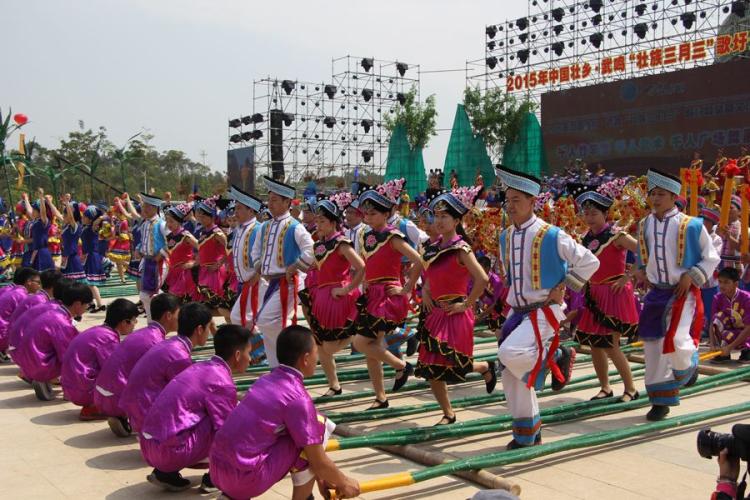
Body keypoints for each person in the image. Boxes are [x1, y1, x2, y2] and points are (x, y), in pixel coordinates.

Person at [495, 165, 600, 449]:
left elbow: (590, 261)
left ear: (532, 201)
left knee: (510, 353)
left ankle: (558, 357)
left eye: (517, 200)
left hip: (545, 311)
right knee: (511, 374)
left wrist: (567, 284)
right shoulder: (505, 237)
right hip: (518, 313)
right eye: (508, 200)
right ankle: (527, 433)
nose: (511, 205)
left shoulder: (552, 234)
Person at [209, 325, 360, 500]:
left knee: (304, 430)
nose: (317, 357)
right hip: (243, 480)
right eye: (315, 352)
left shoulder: (265, 380)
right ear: (305, 358)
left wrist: (322, 477)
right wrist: (344, 482)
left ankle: (231, 496)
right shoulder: (297, 398)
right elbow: (318, 460)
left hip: (217, 470)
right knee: (318, 425)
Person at [634, 169, 720, 421]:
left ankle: (688, 366)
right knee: (653, 346)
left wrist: (691, 274)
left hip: (682, 293)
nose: (656, 199)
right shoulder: (645, 223)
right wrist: (640, 270)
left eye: (661, 194)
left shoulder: (691, 224)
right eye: (652, 194)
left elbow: (711, 257)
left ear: (674, 196)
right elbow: (642, 254)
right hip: (655, 293)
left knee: (679, 342)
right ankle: (660, 401)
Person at [417, 188, 497, 425]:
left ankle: (483, 367)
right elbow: (429, 273)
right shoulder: (432, 248)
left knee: (453, 364)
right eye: (437, 216)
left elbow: (482, 279)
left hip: (456, 312)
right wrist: (426, 290)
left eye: (444, 217)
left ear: (457, 220)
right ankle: (448, 413)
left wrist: (466, 304)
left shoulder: (462, 249)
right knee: (431, 366)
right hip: (435, 312)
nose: (439, 221)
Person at [139, 324, 250, 493]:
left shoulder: (200, 367)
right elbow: (226, 431)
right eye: (248, 353)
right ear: (237, 355)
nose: (250, 359)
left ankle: (165, 473)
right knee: (234, 423)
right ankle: (214, 479)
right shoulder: (221, 381)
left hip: (148, 445)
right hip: (168, 451)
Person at [351, 180, 423, 409]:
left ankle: (401, 366)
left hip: (387, 297)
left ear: (386, 213)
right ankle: (380, 397)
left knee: (360, 342)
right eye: (366, 213)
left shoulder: (393, 236)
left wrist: (407, 287)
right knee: (372, 351)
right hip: (372, 294)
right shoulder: (366, 236)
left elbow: (419, 260)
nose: (368, 217)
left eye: (373, 213)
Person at [574, 190, 640, 402]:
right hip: (594, 294)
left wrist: (628, 277)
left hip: (614, 293)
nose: (589, 217)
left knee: (612, 345)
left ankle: (630, 389)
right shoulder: (585, 239)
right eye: (587, 214)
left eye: (594, 213)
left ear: (605, 214)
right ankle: (605, 387)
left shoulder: (617, 235)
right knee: (594, 345)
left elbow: (644, 252)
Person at [299, 195, 365, 396]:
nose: (317, 224)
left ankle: (358, 337)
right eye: (317, 221)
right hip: (322, 298)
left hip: (339, 299)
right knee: (320, 344)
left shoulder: (341, 243)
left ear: (333, 222)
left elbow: (361, 267)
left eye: (322, 221)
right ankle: (334, 385)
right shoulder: (319, 244)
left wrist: (346, 289)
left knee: (328, 346)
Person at [249, 176, 314, 367]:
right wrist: (259, 265)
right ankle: (277, 365)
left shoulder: (295, 226)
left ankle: (292, 354)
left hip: (289, 282)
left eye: (275, 200)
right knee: (264, 322)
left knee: (266, 320)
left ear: (287, 202)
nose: (270, 204)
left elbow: (310, 249)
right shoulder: (266, 226)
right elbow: (255, 250)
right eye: (269, 200)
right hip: (271, 282)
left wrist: (296, 266)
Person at [120, 302, 215, 433]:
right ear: (199, 330)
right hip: (148, 417)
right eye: (210, 327)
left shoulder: (172, 344)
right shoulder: (179, 355)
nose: (210, 332)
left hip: (137, 409)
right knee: (211, 417)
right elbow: (187, 396)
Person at [94, 293, 180, 437]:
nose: (181, 318)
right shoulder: (156, 342)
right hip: (118, 398)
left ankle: (121, 415)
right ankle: (137, 418)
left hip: (102, 394)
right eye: (179, 314)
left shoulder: (144, 333)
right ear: (169, 315)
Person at [13, 281, 93, 401]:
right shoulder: (62, 323)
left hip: (27, 362)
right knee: (79, 357)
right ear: (77, 304)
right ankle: (53, 381)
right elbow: (68, 356)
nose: (87, 308)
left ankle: (42, 377)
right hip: (39, 365)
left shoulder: (55, 313)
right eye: (87, 305)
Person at [60, 299, 139, 420]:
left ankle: (93, 405)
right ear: (124, 322)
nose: (135, 324)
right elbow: (114, 371)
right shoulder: (107, 338)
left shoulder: (99, 331)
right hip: (82, 389)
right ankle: (96, 406)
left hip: (70, 385)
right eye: (134, 320)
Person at [127, 193, 169, 320]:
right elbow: (143, 240)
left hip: (159, 263)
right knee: (145, 295)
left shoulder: (161, 224)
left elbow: (172, 240)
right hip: (147, 262)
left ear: (154, 208)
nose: (144, 209)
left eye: (147, 207)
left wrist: (161, 254)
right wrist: (139, 249)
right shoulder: (144, 223)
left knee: (153, 294)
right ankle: (152, 323)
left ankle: (169, 313)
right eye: (144, 206)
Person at [227, 185, 263, 327]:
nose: (236, 212)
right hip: (243, 282)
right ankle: (257, 348)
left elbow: (265, 256)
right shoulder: (239, 229)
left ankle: (260, 347)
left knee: (239, 318)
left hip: (255, 282)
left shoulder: (258, 229)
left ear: (251, 210)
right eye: (236, 208)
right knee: (244, 319)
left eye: (239, 208)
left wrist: (257, 276)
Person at [4, 269, 62, 356]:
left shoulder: (36, 297)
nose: (39, 285)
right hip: (11, 341)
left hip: (12, 339)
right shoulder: (39, 300)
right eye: (38, 282)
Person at [194, 196, 233, 321]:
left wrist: (219, 263)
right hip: (204, 271)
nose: (201, 218)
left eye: (204, 216)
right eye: (200, 216)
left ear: (212, 217)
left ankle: (234, 326)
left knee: (220, 306)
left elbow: (230, 249)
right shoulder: (203, 231)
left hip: (216, 274)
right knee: (206, 307)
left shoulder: (217, 233)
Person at [709, 267, 750, 364]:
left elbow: (749, 328)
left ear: (736, 284)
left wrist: (730, 347)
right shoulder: (717, 298)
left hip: (747, 332)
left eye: (726, 282)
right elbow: (713, 323)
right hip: (733, 331)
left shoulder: (747, 298)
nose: (722, 285)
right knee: (717, 317)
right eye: (720, 282)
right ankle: (723, 351)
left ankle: (747, 350)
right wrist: (713, 344)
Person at [161, 203, 198, 303]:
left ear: (179, 221)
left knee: (176, 303)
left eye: (172, 221)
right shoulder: (169, 236)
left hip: (184, 274)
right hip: (173, 273)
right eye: (167, 221)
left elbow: (202, 247)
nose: (169, 224)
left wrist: (194, 263)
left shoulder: (185, 235)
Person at [0, 267, 40, 356]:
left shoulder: (10, 289)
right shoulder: (22, 295)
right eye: (38, 282)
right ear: (29, 282)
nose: (39, 286)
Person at [700, 207, 724, 338]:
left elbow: (713, 256)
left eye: (705, 221)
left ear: (710, 223)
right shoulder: (696, 236)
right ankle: (702, 328)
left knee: (711, 308)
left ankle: (714, 332)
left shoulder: (716, 239)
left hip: (710, 281)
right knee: (699, 308)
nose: (702, 223)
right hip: (697, 281)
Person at [81, 206, 107, 312]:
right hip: (87, 256)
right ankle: (91, 303)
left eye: (85, 216)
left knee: (91, 283)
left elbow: (99, 220)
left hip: (92, 256)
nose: (82, 218)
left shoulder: (93, 227)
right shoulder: (86, 227)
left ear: (90, 219)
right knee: (86, 282)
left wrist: (100, 216)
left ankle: (100, 304)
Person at [60, 199, 87, 282]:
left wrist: (67, 204)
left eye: (65, 216)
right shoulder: (66, 226)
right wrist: (50, 203)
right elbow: (57, 214)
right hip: (66, 257)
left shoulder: (75, 226)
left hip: (73, 258)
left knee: (76, 283)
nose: (63, 217)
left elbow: (71, 217)